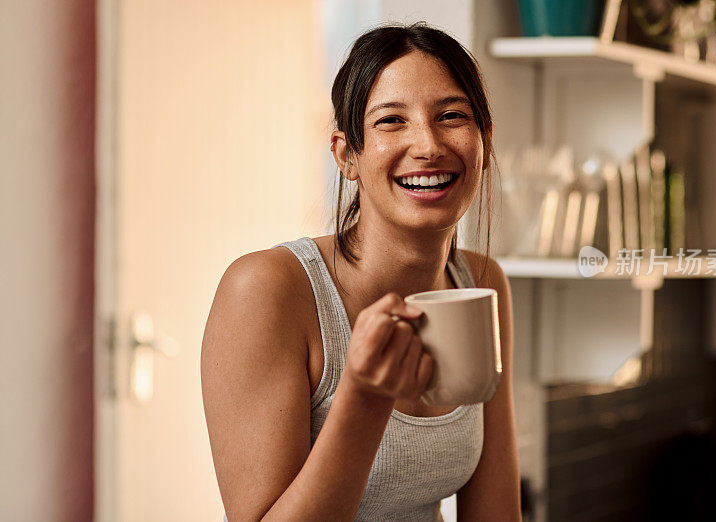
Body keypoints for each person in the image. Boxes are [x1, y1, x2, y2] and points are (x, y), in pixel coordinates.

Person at [201, 22, 522, 521]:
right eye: (391, 121)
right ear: (347, 154)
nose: (429, 145)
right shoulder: (267, 290)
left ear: (483, 140)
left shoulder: (481, 282)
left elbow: (496, 513)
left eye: (452, 116)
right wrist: (365, 396)